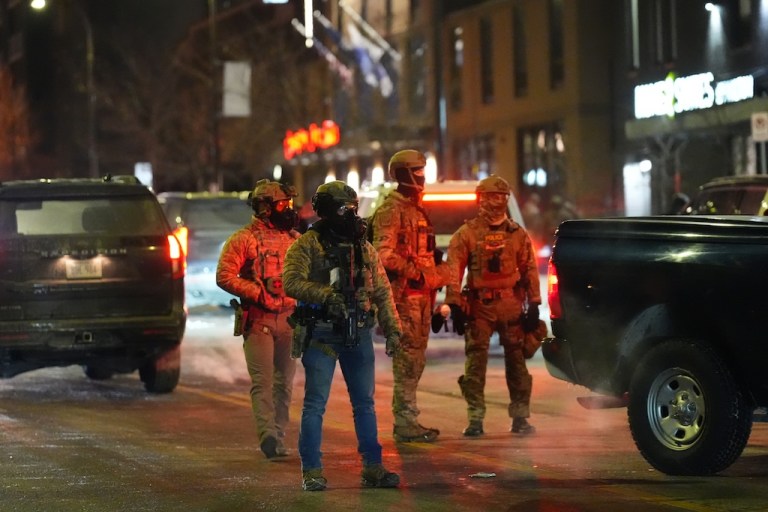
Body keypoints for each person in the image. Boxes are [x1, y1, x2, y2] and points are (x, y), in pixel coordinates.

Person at [282, 180, 402, 492]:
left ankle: (373, 467)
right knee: (315, 405)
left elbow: (382, 291)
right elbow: (290, 282)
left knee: (365, 403)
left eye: (353, 208)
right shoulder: (307, 244)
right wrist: (325, 295)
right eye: (343, 209)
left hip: (358, 332)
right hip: (321, 333)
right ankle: (312, 470)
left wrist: (393, 330)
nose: (350, 215)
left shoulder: (363, 247)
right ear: (326, 211)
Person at [443, 175, 542, 437]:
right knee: (475, 364)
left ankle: (520, 417)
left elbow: (530, 269)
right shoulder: (467, 234)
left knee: (517, 362)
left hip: (511, 304)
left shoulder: (517, 234)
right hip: (480, 307)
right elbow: (453, 270)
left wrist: (534, 303)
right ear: (481, 199)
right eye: (492, 196)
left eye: (501, 197)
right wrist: (454, 304)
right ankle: (475, 418)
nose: (497, 202)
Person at [368, 149, 452, 443]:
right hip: (404, 298)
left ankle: (408, 419)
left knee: (416, 360)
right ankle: (405, 423)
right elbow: (383, 254)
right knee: (407, 360)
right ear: (403, 174)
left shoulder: (416, 209)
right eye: (417, 171)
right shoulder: (391, 210)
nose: (422, 177)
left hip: (421, 298)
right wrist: (416, 272)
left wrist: (432, 264)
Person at [216, 179, 300, 460]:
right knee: (262, 382)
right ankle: (268, 436)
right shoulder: (244, 239)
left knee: (284, 383)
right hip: (259, 321)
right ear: (265, 207)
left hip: (289, 320)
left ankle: (279, 434)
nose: (288, 209)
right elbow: (225, 275)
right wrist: (258, 293)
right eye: (282, 205)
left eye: (288, 204)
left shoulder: (294, 239)